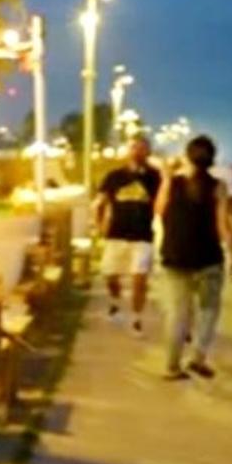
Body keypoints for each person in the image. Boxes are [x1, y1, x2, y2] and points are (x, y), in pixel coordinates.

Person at [154, 136, 232, 379]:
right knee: (208, 310)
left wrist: (166, 179)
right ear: (213, 159)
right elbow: (222, 225)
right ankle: (198, 357)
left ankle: (172, 367)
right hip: (208, 257)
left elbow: (159, 211)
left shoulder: (173, 182)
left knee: (177, 315)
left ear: (187, 156)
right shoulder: (218, 186)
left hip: (175, 256)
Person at [93, 135, 163, 332]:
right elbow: (100, 202)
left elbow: (164, 202)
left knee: (139, 279)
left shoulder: (155, 177)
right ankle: (115, 301)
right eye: (134, 147)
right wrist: (99, 225)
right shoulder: (114, 176)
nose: (137, 151)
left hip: (143, 235)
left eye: (142, 148)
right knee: (110, 276)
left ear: (148, 152)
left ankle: (136, 318)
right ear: (127, 151)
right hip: (116, 233)